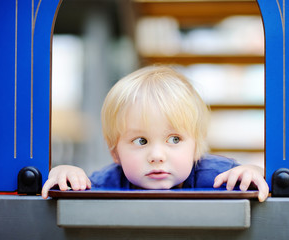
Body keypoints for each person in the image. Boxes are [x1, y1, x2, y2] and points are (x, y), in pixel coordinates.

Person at [42, 65, 269, 201]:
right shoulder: (110, 182)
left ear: (196, 147)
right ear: (115, 152)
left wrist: (252, 171)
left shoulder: (217, 177)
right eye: (141, 141)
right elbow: (77, 192)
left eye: (174, 139)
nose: (157, 155)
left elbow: (259, 178)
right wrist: (66, 173)